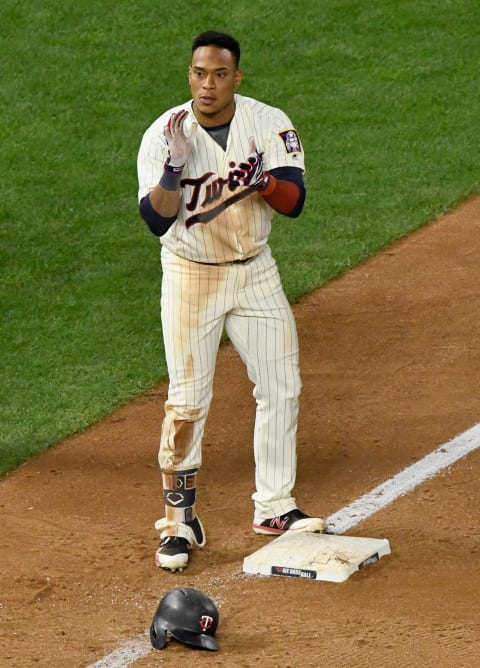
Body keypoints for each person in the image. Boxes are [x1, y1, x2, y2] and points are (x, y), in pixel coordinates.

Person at [137, 30, 326, 572]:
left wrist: (263, 181)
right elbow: (156, 219)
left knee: (281, 385)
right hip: (191, 275)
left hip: (255, 272)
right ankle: (179, 523)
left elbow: (294, 202)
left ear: (236, 78)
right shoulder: (163, 135)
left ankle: (274, 506)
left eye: (220, 74)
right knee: (188, 400)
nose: (208, 84)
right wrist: (173, 169)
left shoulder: (267, 123)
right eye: (200, 73)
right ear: (189, 75)